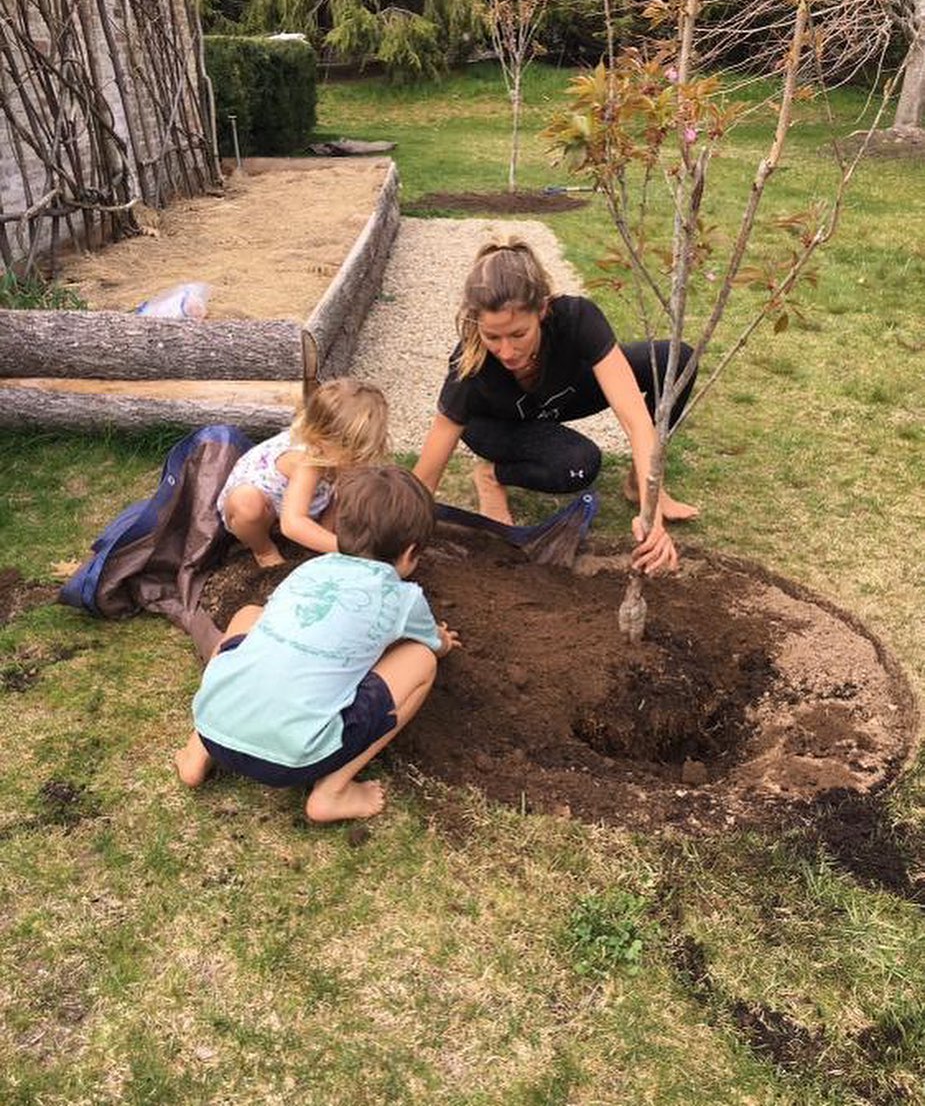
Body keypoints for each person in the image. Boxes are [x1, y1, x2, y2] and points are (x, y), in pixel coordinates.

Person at [175, 465, 460, 822]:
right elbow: (433, 644)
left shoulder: (310, 569)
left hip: (214, 724)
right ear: (411, 552)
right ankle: (332, 792)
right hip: (293, 759)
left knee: (250, 614)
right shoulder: (404, 598)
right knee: (420, 659)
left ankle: (196, 752)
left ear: (338, 528)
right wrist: (443, 641)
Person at [413, 237, 699, 575]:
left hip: (557, 397)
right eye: (493, 337)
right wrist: (396, 539)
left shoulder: (577, 318)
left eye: (518, 334)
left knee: (675, 360)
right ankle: (491, 475)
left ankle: (638, 483)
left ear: (543, 310)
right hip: (497, 425)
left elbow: (635, 419)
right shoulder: (468, 368)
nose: (506, 352)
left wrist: (651, 511)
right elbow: (424, 479)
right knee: (578, 465)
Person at [217, 377, 389, 567]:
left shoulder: (337, 453)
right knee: (246, 505)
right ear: (323, 438)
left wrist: (327, 537)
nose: (358, 457)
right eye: (354, 449)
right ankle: (264, 551)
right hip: (265, 510)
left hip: (305, 501)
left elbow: (342, 492)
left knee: (348, 483)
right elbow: (292, 524)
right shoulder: (307, 462)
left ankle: (319, 538)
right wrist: (348, 550)